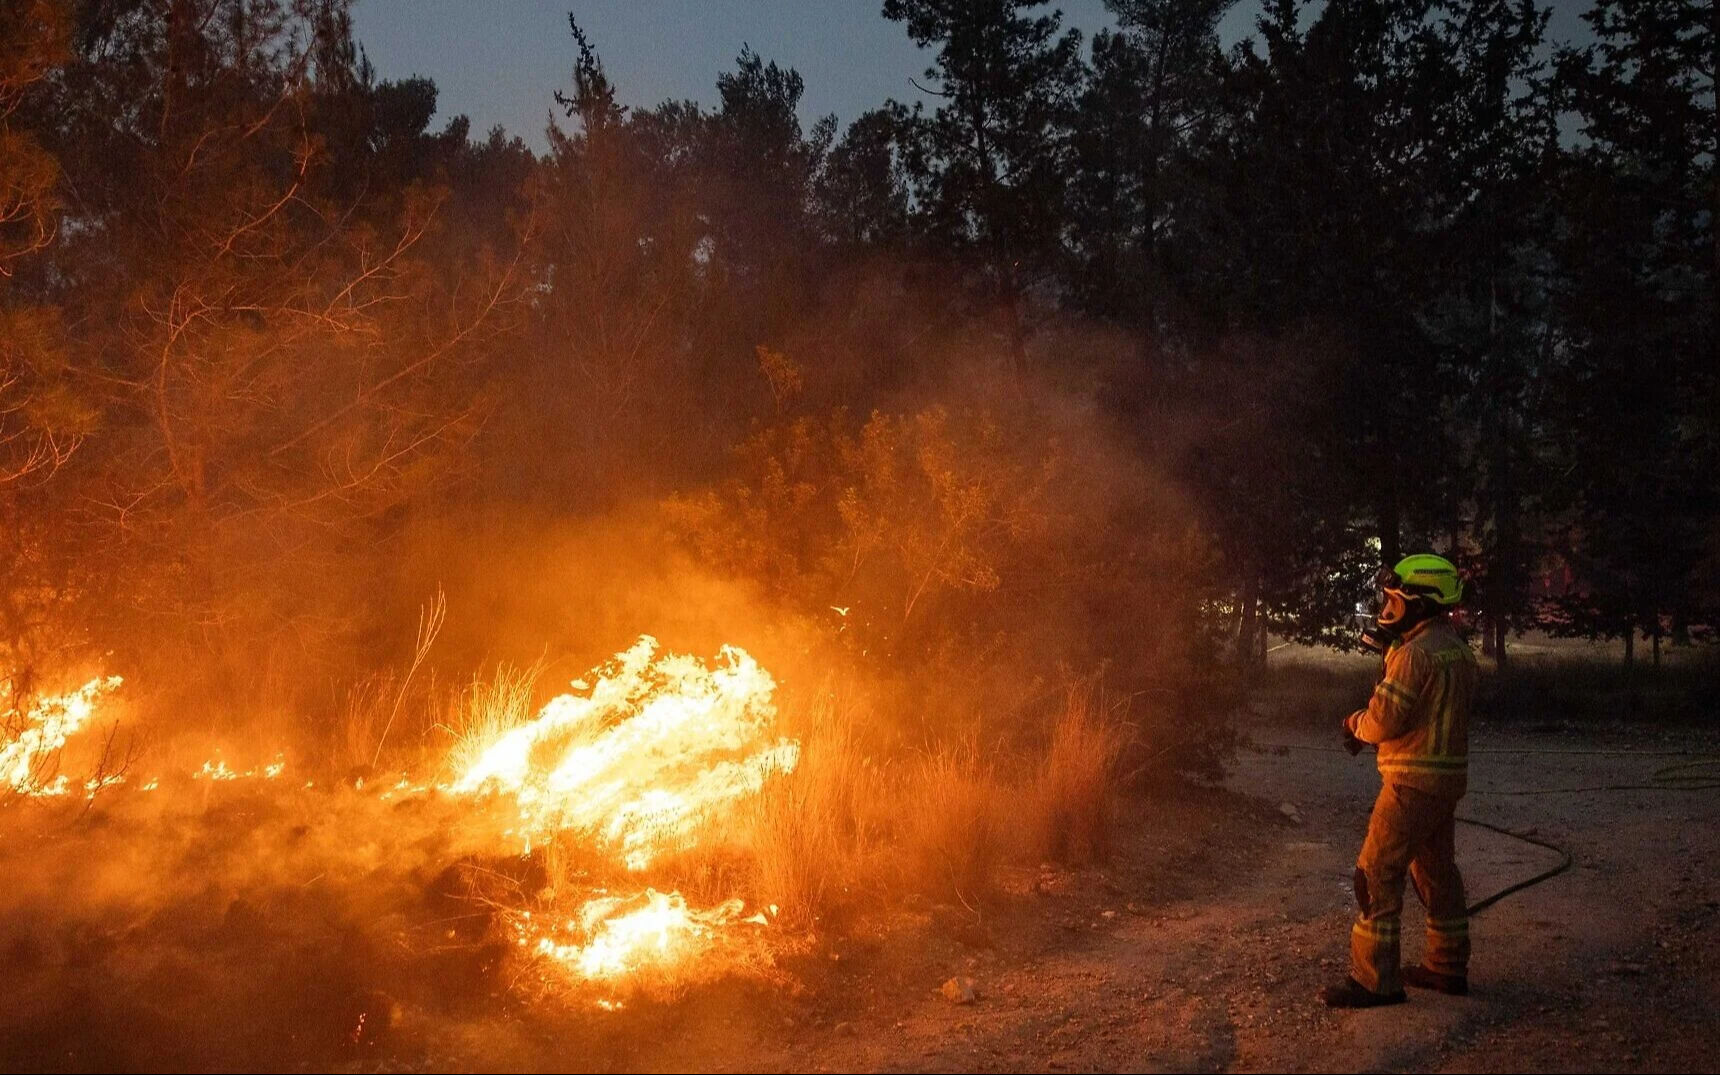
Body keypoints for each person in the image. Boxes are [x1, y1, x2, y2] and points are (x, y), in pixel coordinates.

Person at [1321, 553, 1477, 1008]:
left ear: (1420, 603)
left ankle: (1375, 981)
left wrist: (1354, 724)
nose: (1386, 608)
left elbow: (1385, 720)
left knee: (1376, 873)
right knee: (1436, 873)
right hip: (1444, 782)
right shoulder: (1458, 652)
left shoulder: (1413, 656)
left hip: (1410, 782)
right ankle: (1447, 967)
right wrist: (1392, 651)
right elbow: (1430, 709)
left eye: (1393, 599)